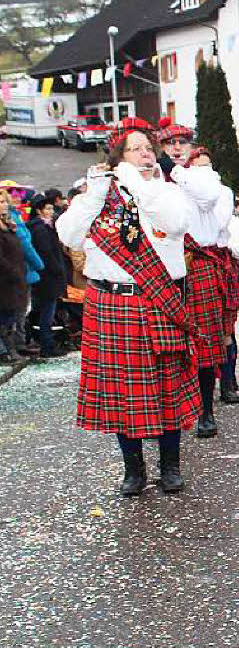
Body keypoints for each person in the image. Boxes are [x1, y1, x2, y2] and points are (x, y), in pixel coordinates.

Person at [55, 119, 200, 496]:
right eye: (135, 148)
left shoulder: (165, 190)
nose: (146, 153)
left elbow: (176, 222)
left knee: (167, 388)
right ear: (118, 157)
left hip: (156, 298)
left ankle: (170, 467)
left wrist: (139, 184)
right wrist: (92, 195)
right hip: (110, 302)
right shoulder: (97, 196)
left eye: (148, 147)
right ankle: (133, 470)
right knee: (123, 392)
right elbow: (67, 234)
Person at [157, 118, 239, 437]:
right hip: (166, 268)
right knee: (170, 345)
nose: (177, 148)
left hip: (200, 265)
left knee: (206, 342)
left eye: (183, 143)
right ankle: (174, 412)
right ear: (161, 147)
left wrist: (176, 170)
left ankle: (206, 410)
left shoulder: (204, 179)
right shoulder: (157, 181)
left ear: (192, 149)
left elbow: (208, 199)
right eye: (170, 144)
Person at [26, 195, 68, 357]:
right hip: (48, 278)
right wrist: (58, 270)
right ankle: (47, 345)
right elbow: (47, 253)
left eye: (52, 208)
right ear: (39, 211)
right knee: (47, 313)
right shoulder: (40, 229)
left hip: (47, 277)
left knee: (44, 311)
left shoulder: (44, 227)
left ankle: (45, 342)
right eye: (48, 209)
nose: (51, 212)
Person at [0, 190, 30, 363]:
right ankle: (6, 352)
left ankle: (10, 350)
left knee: (10, 318)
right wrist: (13, 272)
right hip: (5, 281)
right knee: (4, 319)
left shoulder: (9, 226)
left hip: (14, 281)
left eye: (4, 201)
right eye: (0, 202)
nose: (4, 204)